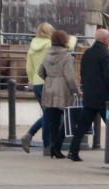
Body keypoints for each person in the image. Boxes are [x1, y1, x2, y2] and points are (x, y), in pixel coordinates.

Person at [21, 22, 76, 152]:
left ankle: (32, 137)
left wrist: (31, 80)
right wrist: (72, 36)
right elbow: (70, 44)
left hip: (36, 82)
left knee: (47, 113)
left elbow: (29, 67)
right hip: (51, 82)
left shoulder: (32, 46)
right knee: (49, 115)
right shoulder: (50, 45)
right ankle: (46, 144)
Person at [67, 28, 109, 161]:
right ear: (105, 40)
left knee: (82, 126)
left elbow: (83, 73)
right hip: (103, 98)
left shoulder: (87, 53)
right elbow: (108, 76)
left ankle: (73, 151)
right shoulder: (105, 54)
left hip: (90, 96)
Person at [39, 29, 79, 159]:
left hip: (49, 87)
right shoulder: (66, 55)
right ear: (64, 40)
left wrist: (49, 78)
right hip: (62, 88)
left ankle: (52, 148)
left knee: (53, 121)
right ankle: (57, 147)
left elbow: (40, 72)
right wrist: (75, 90)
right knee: (68, 119)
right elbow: (69, 76)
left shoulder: (47, 54)